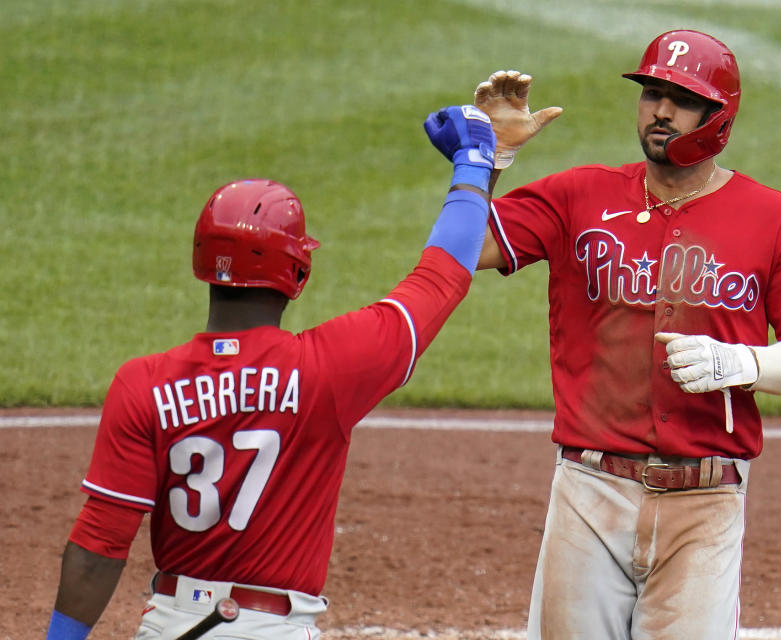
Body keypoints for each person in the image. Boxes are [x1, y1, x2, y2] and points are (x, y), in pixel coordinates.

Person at [45, 104, 497, 640]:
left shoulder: (142, 383)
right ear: (297, 272)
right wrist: (475, 163)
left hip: (173, 625)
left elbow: (99, 547)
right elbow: (442, 275)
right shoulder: (331, 367)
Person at [471, 30, 781, 639]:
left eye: (682, 98)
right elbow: (464, 250)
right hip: (589, 492)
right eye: (651, 93)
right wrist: (484, 161)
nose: (660, 111)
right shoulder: (578, 195)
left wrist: (742, 364)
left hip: (706, 502)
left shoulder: (772, 218)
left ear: (718, 115)